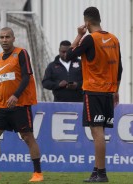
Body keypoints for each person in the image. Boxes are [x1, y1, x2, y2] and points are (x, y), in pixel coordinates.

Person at [0, 27, 43, 182]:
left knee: (27, 137)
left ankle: (38, 173)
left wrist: (16, 96)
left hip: (20, 104)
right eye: (2, 37)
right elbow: (2, 80)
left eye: (7, 37)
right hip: (2, 106)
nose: (4, 40)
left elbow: (26, 77)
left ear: (13, 38)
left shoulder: (21, 53)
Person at [66, 7, 122, 182]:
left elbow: (68, 55)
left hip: (94, 91)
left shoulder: (90, 38)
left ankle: (102, 174)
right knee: (100, 131)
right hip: (108, 91)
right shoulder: (113, 39)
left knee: (97, 133)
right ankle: (96, 171)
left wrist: (78, 35)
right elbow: (119, 68)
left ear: (87, 22)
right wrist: (116, 90)